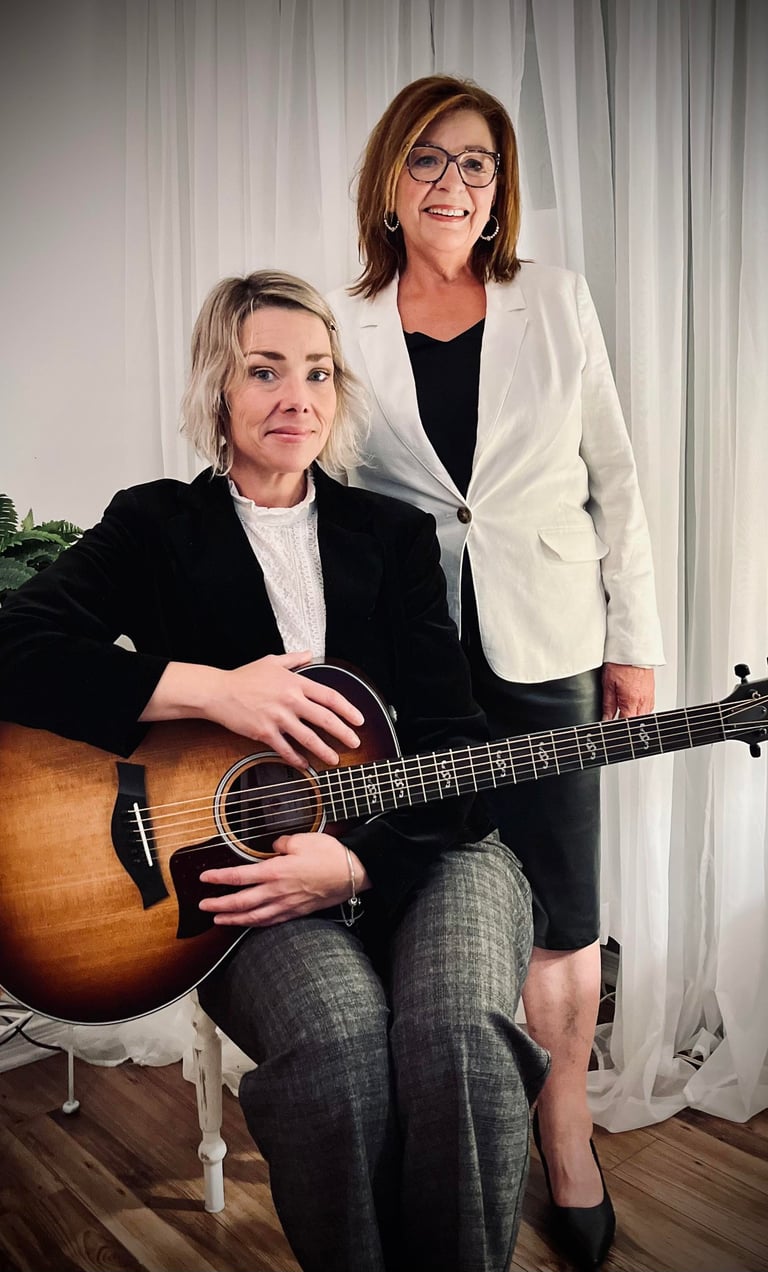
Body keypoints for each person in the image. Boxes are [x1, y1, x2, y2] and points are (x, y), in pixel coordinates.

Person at [0, 269, 549, 1272]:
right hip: (237, 882)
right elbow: (14, 645)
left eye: (319, 372)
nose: (296, 398)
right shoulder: (154, 527)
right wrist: (207, 690)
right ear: (220, 384)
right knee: (339, 1049)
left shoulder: (393, 538)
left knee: (461, 1036)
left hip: (430, 851)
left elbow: (460, 746)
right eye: (265, 371)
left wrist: (359, 866)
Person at [328, 75, 664, 1269]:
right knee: (432, 884)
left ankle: (564, 1128)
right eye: (428, 160)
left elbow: (615, 477)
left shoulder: (555, 301)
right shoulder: (342, 326)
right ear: (388, 179)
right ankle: (453, 1111)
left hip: (550, 635)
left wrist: (636, 638)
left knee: (563, 904)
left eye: (476, 164)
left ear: (501, 186)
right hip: (410, 661)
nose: (453, 184)